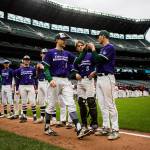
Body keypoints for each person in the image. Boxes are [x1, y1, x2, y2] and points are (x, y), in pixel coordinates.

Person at [42, 32, 90, 139]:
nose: (65, 41)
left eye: (65, 39)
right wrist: (50, 79)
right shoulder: (50, 53)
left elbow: (78, 60)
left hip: (66, 81)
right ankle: (47, 127)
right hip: (54, 80)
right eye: (63, 39)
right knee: (51, 105)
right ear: (57, 40)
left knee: (71, 103)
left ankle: (78, 129)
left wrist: (85, 50)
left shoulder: (67, 53)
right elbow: (45, 68)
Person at [88, 30, 120, 140]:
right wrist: (95, 72)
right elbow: (99, 62)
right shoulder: (102, 49)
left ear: (104, 36)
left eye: (99, 36)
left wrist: (92, 49)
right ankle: (106, 127)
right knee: (102, 104)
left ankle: (115, 129)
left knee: (110, 104)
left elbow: (99, 59)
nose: (97, 38)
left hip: (107, 78)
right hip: (100, 78)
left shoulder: (109, 47)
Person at [73, 40, 98, 132]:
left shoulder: (90, 55)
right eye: (78, 46)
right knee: (81, 102)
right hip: (80, 81)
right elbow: (73, 69)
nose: (80, 47)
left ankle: (94, 123)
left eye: (81, 45)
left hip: (89, 80)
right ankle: (84, 124)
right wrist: (75, 74)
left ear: (85, 46)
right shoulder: (77, 58)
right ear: (76, 48)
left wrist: (95, 72)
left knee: (91, 100)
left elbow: (98, 64)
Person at [15, 55, 37, 123]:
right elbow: (17, 80)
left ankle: (35, 116)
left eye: (27, 59)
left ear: (29, 61)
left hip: (30, 86)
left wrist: (36, 87)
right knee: (24, 102)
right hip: (22, 86)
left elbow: (35, 78)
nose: (26, 61)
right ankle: (24, 116)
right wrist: (17, 89)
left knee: (32, 101)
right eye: (25, 59)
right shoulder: (19, 70)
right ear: (23, 60)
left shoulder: (33, 69)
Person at [34, 48, 48, 124]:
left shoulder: (50, 62)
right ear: (41, 54)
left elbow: (52, 73)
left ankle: (53, 118)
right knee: (41, 101)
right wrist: (37, 69)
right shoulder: (39, 63)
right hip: (40, 82)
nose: (44, 54)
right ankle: (42, 117)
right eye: (43, 53)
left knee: (48, 101)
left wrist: (43, 67)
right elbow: (36, 75)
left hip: (47, 82)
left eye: (46, 53)